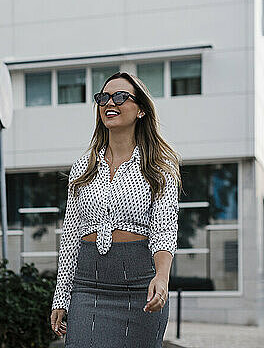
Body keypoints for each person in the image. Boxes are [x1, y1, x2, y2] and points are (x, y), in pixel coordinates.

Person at [50, 71, 182, 347]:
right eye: (104, 98)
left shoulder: (159, 168)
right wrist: (61, 297)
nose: (110, 102)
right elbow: (71, 236)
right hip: (88, 287)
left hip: (140, 287)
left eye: (121, 97)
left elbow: (164, 228)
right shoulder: (83, 166)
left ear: (141, 110)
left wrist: (161, 276)